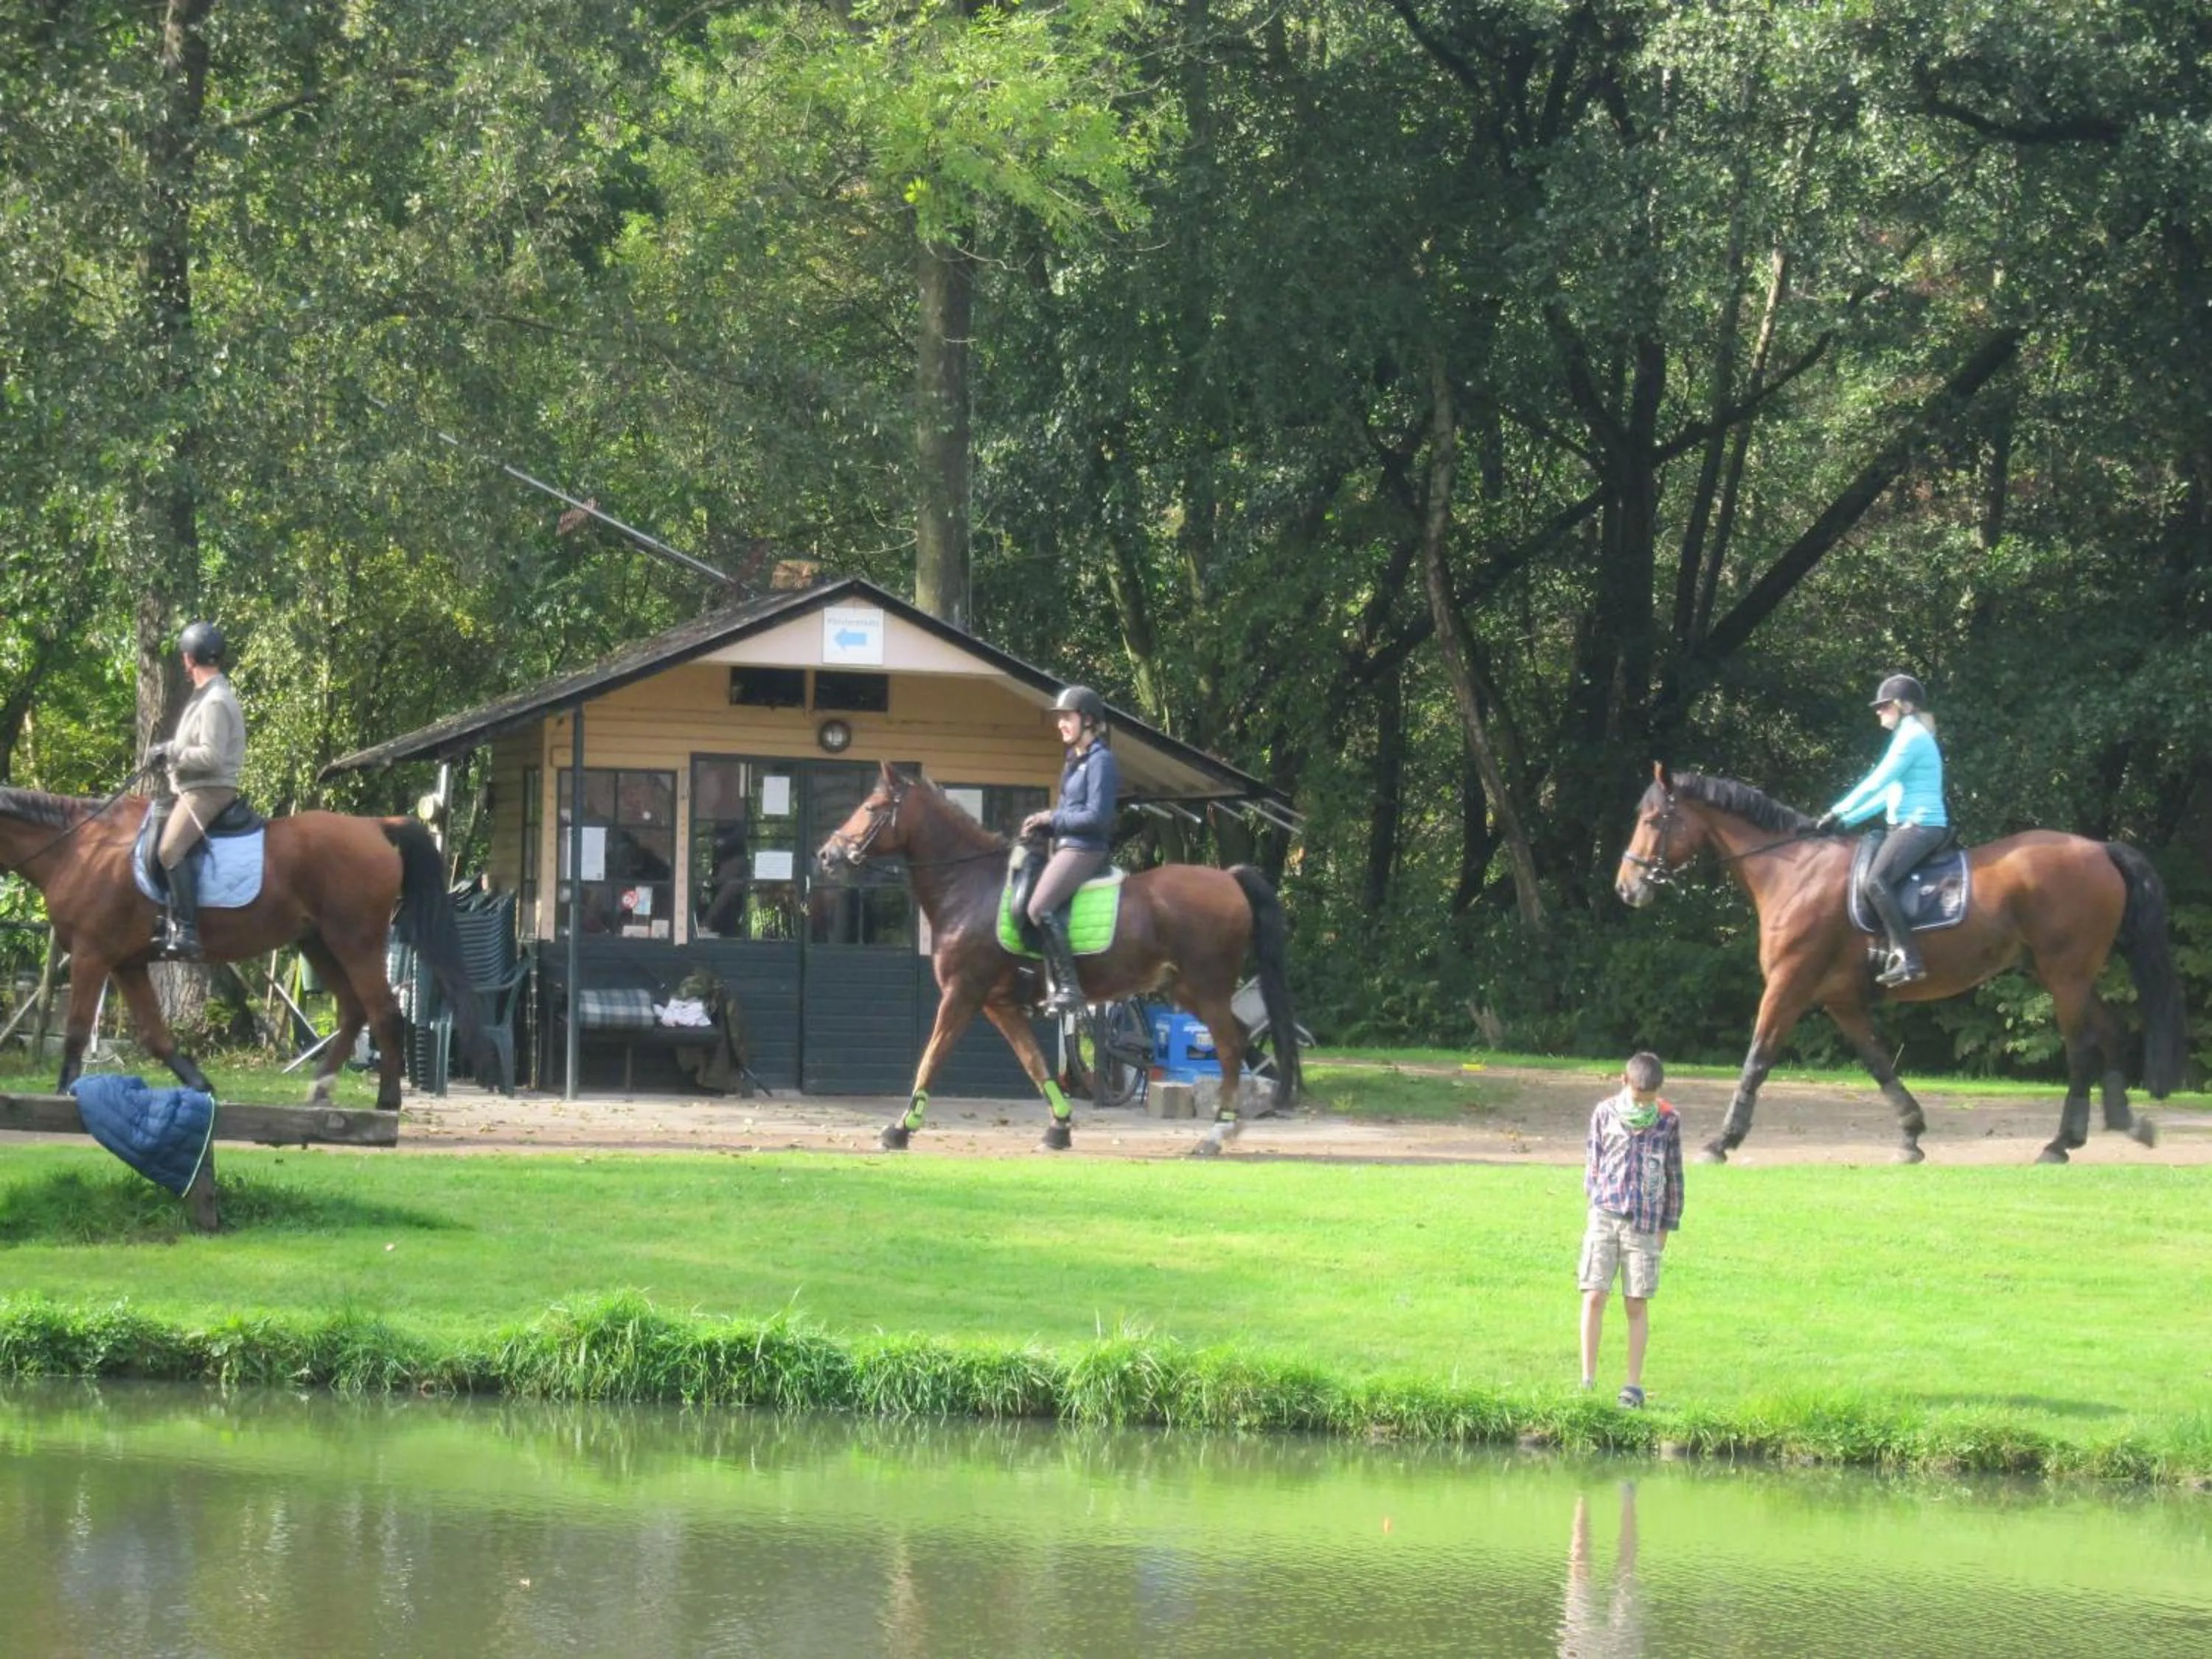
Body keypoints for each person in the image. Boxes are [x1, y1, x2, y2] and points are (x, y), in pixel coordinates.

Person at [1811, 672, 1947, 987]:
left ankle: (1909, 958)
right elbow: (1887, 795)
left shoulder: (1911, 737)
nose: (1879, 712)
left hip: (1921, 824)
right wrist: (1846, 822)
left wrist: (1836, 811)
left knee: (1875, 881)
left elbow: (1877, 781)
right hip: (1905, 824)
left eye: (1884, 706)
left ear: (1904, 706)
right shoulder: (1906, 736)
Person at [1578, 1051, 1683, 1409]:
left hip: (1645, 1223)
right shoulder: (1604, 1113)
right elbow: (1593, 1164)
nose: (1644, 1104)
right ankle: (1587, 1380)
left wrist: (1667, 1224)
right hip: (1605, 1215)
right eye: (1639, 1097)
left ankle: (1632, 1385)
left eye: (1650, 1098)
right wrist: (1595, 1203)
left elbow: (1674, 1175)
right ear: (1624, 1082)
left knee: (1636, 1301)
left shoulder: (1668, 1120)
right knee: (1594, 1294)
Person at [143, 620, 245, 960]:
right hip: (192, 788)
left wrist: (171, 752)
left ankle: (188, 931)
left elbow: (211, 757)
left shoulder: (214, 700)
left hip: (210, 790)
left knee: (170, 849)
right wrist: (169, 752)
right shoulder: (204, 696)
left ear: (188, 659)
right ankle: (163, 918)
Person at [1020, 685, 1121, 1016]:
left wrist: (1053, 818)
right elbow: (1068, 816)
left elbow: (1097, 818)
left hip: (1086, 849)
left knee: (1039, 907)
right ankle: (1039, 986)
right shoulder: (1073, 762)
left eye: (1067, 717)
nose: (1060, 724)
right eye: (1059, 718)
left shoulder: (1101, 761)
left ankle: (1070, 988)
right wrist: (1042, 825)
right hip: (1067, 846)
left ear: (1087, 720)